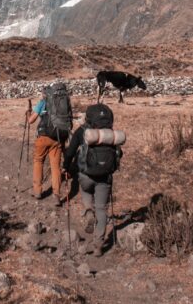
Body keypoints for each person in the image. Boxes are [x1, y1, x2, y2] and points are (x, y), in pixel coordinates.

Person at [64, 102, 122, 255]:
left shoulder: (82, 131)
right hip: (105, 177)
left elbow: (70, 152)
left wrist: (66, 167)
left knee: (85, 190)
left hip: (86, 176)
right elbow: (119, 154)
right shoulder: (109, 134)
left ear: (88, 118)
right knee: (102, 209)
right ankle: (98, 244)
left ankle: (88, 212)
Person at [26, 84, 70, 206]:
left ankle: (38, 191)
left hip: (43, 136)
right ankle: (56, 195)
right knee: (55, 166)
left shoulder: (43, 102)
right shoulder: (64, 103)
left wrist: (28, 113)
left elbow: (31, 121)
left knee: (38, 161)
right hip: (58, 137)